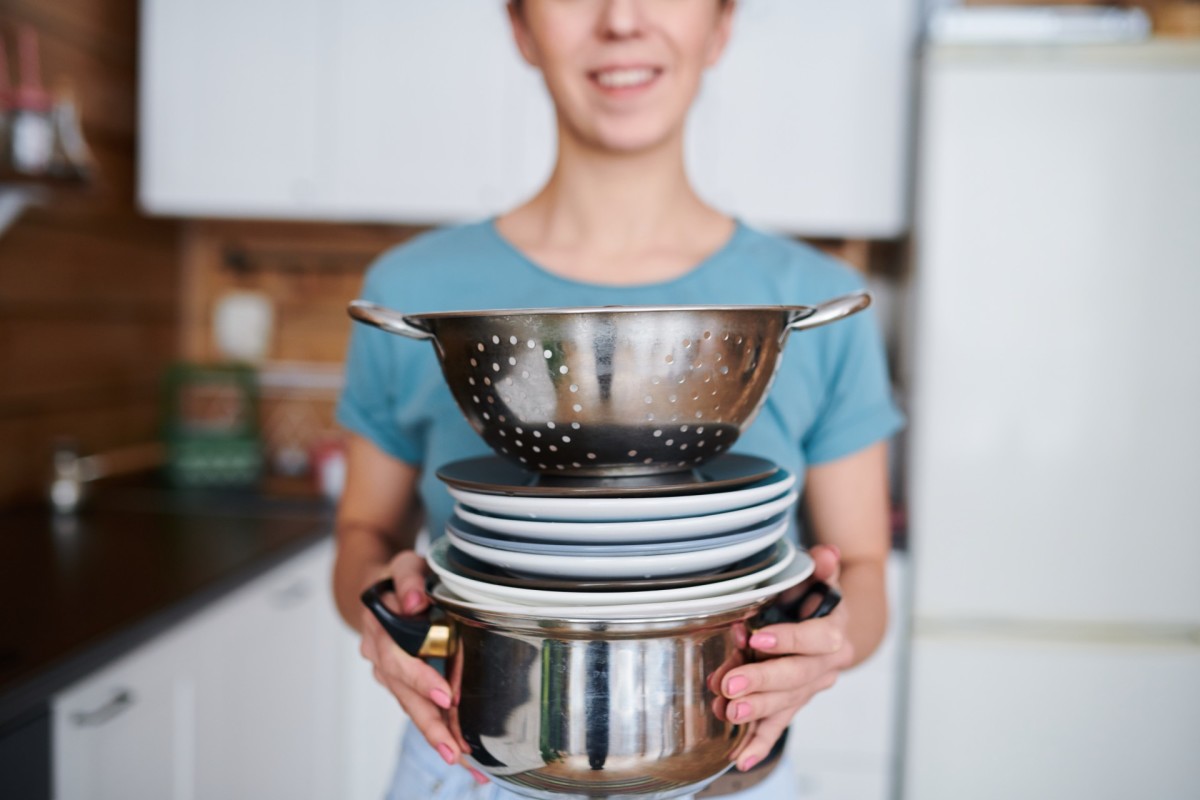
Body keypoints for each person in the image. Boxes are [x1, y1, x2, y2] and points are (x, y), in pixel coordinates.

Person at [331, 1, 903, 798]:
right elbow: (363, 534)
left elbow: (864, 569)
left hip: (728, 768)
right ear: (522, 27)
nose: (622, 19)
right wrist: (382, 608)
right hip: (473, 765)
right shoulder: (414, 288)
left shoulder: (811, 294)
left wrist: (831, 639)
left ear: (721, 25)